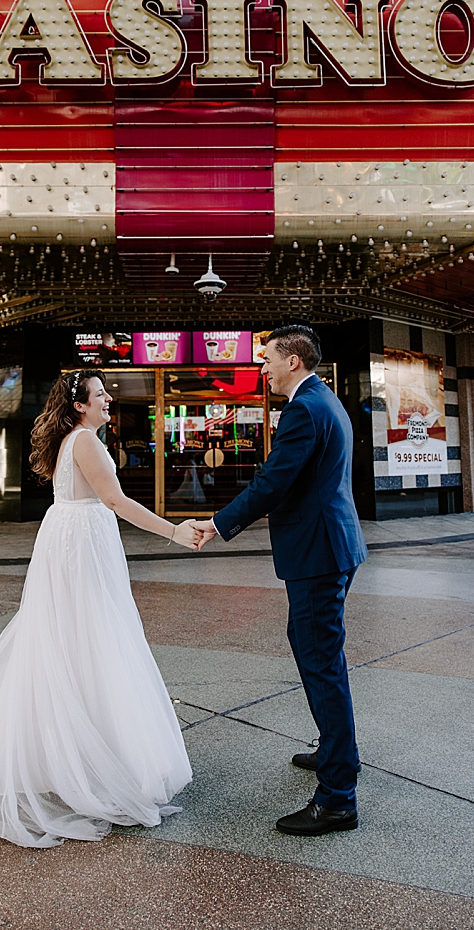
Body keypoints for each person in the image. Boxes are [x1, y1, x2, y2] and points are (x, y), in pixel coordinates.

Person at [0, 369, 196, 846]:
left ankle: (71, 755)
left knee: (71, 639)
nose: (107, 399)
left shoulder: (72, 441)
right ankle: (95, 761)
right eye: (100, 394)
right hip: (82, 546)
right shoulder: (86, 443)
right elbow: (116, 501)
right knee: (95, 638)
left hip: (69, 541)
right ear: (80, 404)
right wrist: (175, 531)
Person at [195, 326, 368, 837]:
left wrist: (219, 523)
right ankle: (338, 752)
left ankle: (338, 797)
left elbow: (274, 481)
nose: (261, 368)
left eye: (267, 358)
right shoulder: (324, 399)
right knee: (315, 650)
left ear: (293, 359)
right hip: (333, 544)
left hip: (318, 551)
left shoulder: (303, 409)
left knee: (321, 661)